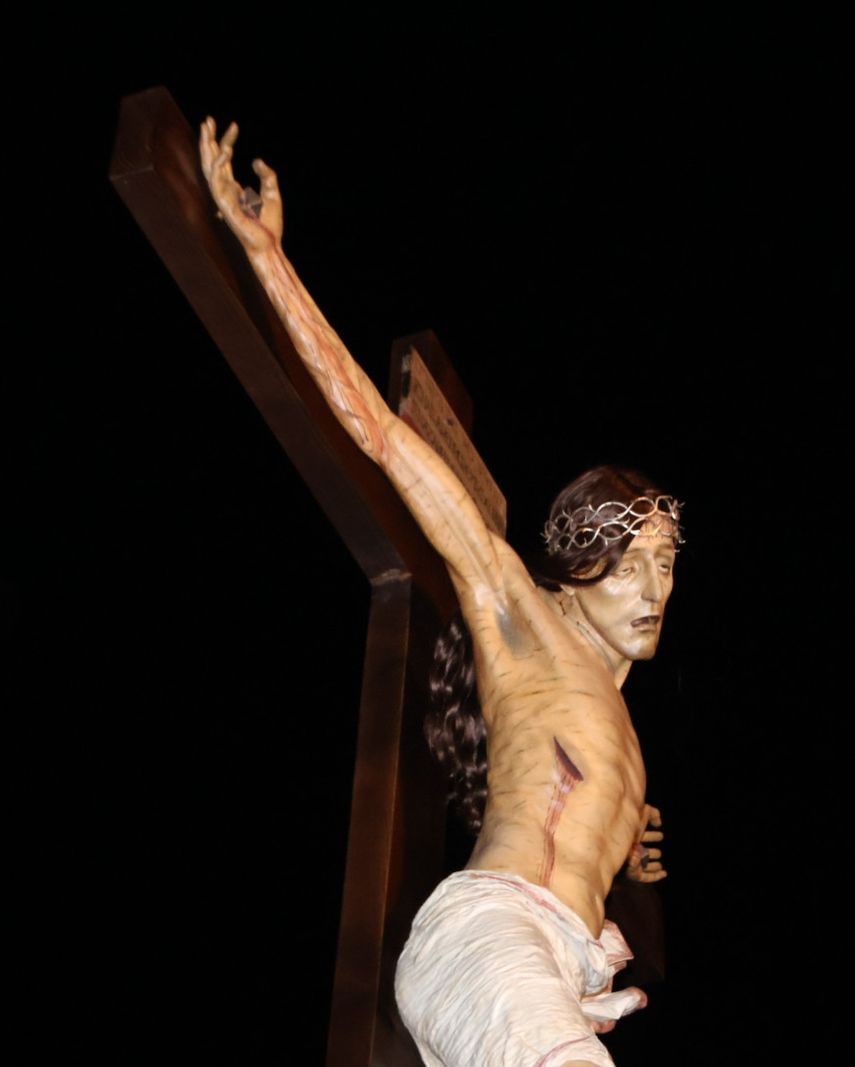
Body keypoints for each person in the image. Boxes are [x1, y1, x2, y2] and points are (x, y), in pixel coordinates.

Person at [200, 119, 679, 1067]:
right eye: (629, 561)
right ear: (575, 577)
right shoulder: (523, 615)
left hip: (554, 969)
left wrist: (637, 861)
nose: (654, 585)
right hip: (487, 937)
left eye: (667, 562)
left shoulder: (622, 739)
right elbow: (379, 433)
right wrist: (268, 258)